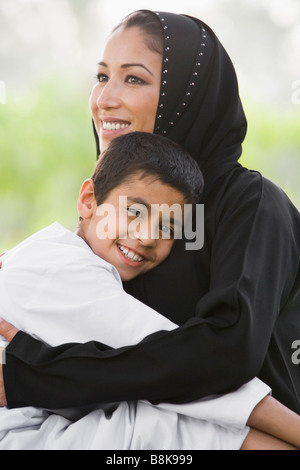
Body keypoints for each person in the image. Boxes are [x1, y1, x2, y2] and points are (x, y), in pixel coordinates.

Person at [1, 8, 300, 428]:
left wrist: (42, 375)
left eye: (134, 78)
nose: (105, 99)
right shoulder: (110, 211)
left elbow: (227, 350)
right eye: (102, 76)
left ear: (187, 97)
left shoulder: (250, 203)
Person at [0, 130, 293, 450]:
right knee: (160, 424)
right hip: (20, 438)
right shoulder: (65, 271)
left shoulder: (51, 253)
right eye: (135, 212)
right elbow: (192, 370)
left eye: (168, 227)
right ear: (88, 200)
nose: (147, 237)